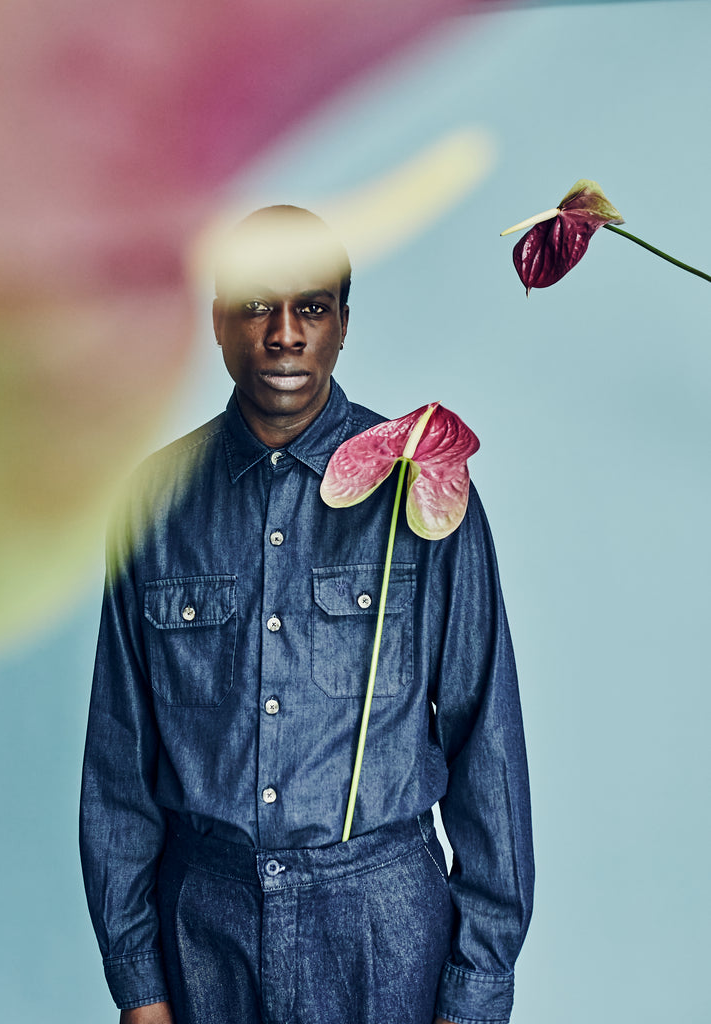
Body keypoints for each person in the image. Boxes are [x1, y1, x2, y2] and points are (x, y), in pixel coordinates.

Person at [80, 205, 533, 1024]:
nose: (284, 334)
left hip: (381, 924)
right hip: (203, 930)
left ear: (341, 326)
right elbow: (118, 762)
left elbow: (486, 745)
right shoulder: (152, 501)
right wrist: (139, 983)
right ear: (217, 320)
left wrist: (475, 991)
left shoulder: (419, 493)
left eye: (312, 308)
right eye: (255, 305)